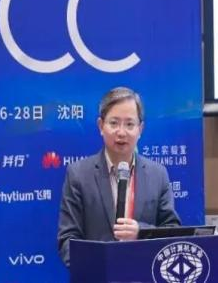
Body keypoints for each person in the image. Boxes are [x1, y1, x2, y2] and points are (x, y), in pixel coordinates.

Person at [57, 87, 181, 266]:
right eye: (114, 123)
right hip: (97, 275)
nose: (121, 132)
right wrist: (97, 269)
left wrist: (141, 232)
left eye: (129, 124)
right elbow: (67, 240)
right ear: (101, 126)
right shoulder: (78, 174)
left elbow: (173, 232)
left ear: (140, 129)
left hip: (144, 273)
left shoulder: (157, 174)